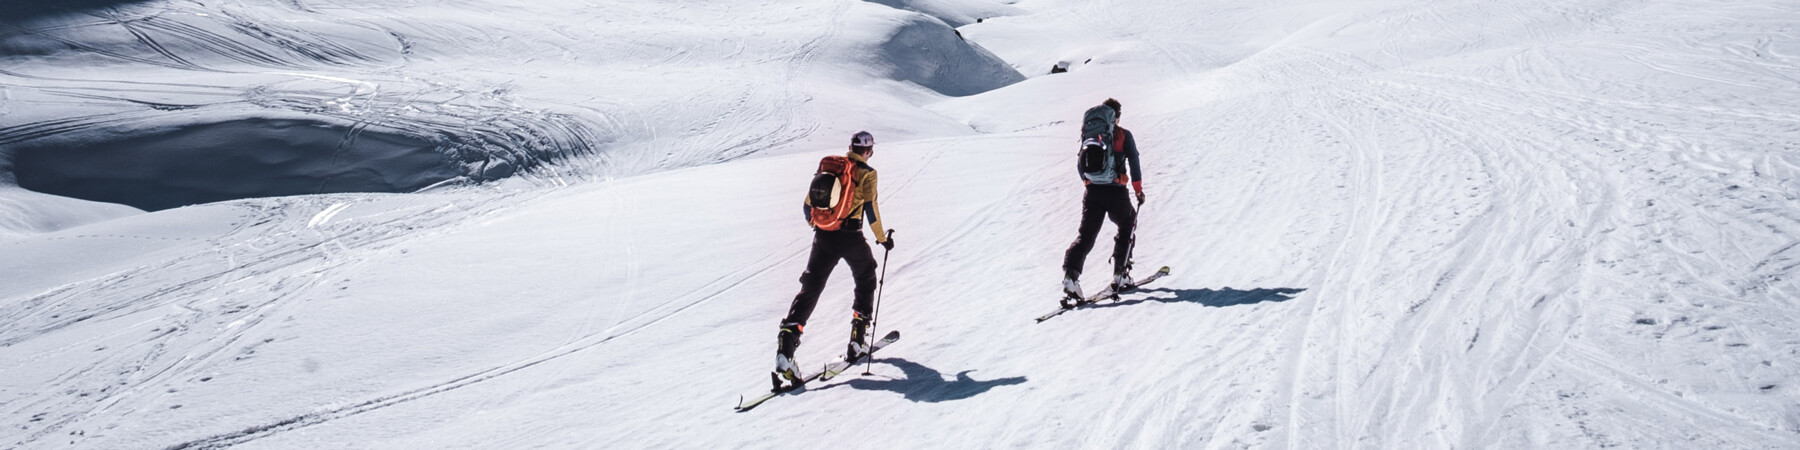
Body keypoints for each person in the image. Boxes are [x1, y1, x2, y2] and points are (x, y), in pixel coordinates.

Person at [775, 131, 894, 387]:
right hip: (851, 236)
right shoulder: (867, 174)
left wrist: (818, 224)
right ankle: (858, 338)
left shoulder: (831, 166)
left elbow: (808, 204)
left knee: (811, 287)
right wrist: (882, 238)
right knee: (866, 278)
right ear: (868, 151)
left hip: (823, 236)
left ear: (850, 147)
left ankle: (786, 347)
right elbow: (871, 210)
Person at [1062, 98, 1143, 304]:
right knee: (1128, 224)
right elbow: (1133, 161)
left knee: (1086, 235)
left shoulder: (1091, 134)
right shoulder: (1123, 135)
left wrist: (1088, 183)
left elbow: (1081, 162)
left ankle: (1071, 277)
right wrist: (1138, 190)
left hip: (1092, 192)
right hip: (1116, 191)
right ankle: (1120, 273)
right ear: (1116, 116)